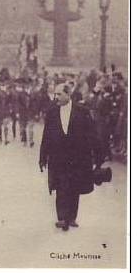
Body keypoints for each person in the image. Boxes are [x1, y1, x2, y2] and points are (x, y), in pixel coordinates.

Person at [39, 83, 102, 231]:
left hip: (77, 158)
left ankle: (72, 217)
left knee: (74, 187)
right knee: (61, 186)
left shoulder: (82, 111)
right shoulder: (52, 112)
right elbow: (46, 136)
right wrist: (42, 157)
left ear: (68, 94)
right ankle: (62, 218)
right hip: (58, 157)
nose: (56, 97)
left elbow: (92, 134)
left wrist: (98, 155)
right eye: (55, 94)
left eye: (59, 94)